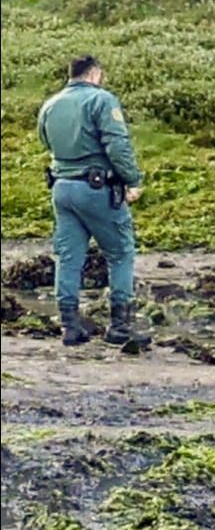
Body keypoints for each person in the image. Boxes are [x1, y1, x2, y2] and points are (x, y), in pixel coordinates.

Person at [35, 55, 147, 348]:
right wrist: (133, 180)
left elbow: (45, 142)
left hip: (62, 187)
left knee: (69, 257)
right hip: (96, 187)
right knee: (120, 252)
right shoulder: (102, 100)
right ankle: (120, 326)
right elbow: (117, 144)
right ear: (95, 73)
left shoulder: (50, 104)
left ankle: (70, 326)